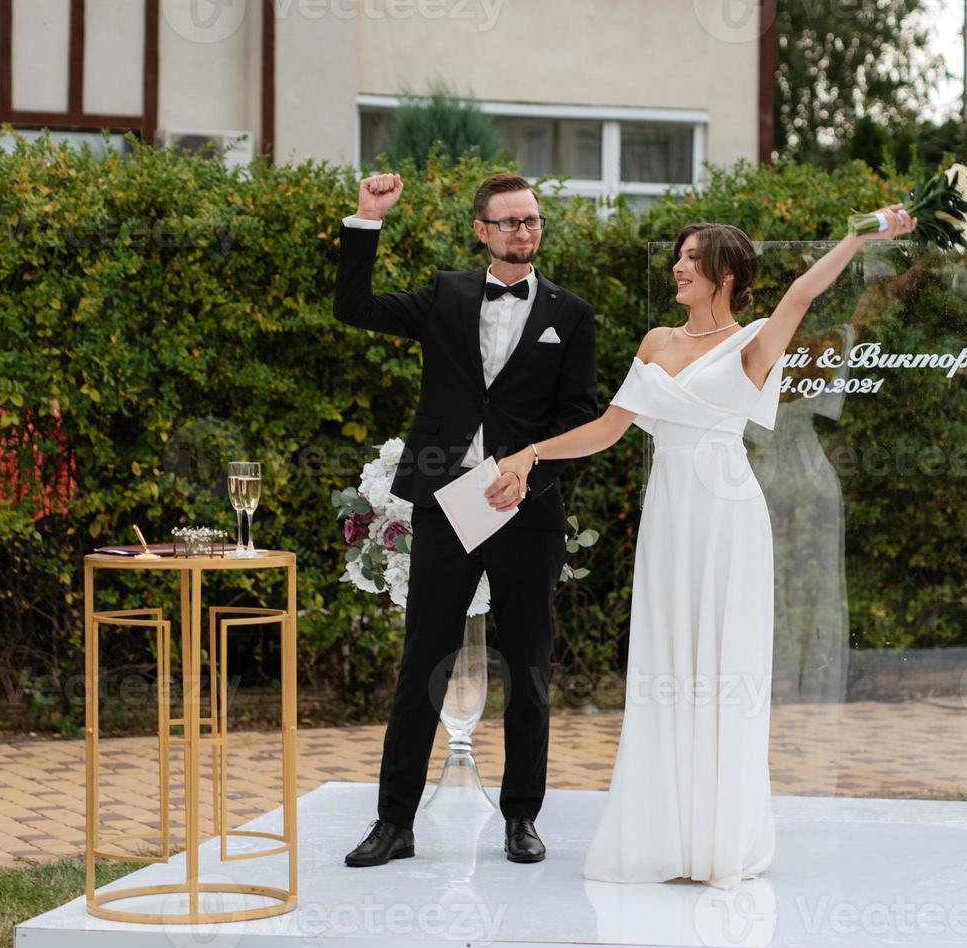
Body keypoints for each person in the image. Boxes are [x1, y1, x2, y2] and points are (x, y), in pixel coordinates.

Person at [497, 205, 916, 887]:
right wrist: (531, 454)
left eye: (693, 257)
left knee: (724, 671)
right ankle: (661, 837)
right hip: (670, 515)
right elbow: (608, 428)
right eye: (679, 255)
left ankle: (719, 838)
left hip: (728, 515)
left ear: (725, 272)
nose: (679, 266)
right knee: (665, 662)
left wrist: (857, 233)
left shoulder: (753, 341)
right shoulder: (656, 342)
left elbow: (803, 294)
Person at [333, 171, 599, 867]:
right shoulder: (445, 294)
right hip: (447, 506)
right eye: (509, 222)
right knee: (422, 659)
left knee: (530, 668)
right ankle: (394, 824)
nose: (523, 232)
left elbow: (579, 416)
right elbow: (354, 306)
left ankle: (521, 819)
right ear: (481, 229)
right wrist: (367, 219)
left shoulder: (571, 314)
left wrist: (531, 469)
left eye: (532, 220)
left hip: (526, 511)